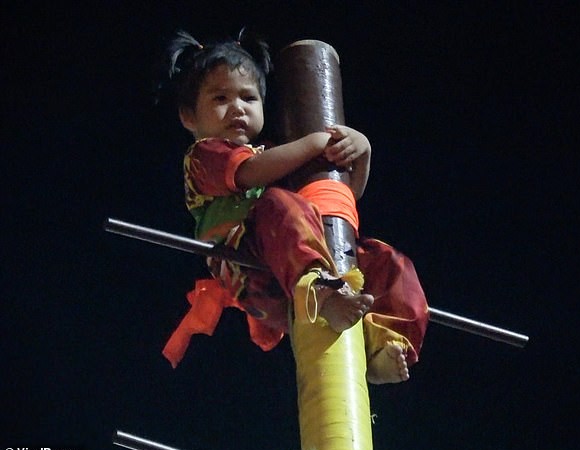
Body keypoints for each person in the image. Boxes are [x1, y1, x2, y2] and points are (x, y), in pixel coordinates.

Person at [160, 30, 429, 384]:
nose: (238, 107)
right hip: (254, 275)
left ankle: (381, 349)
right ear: (188, 116)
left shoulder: (275, 153)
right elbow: (249, 172)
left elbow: (339, 198)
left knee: (390, 262)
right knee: (276, 202)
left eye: (249, 97)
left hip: (300, 264)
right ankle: (321, 294)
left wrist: (361, 153)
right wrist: (315, 142)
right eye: (220, 97)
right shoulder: (204, 155)